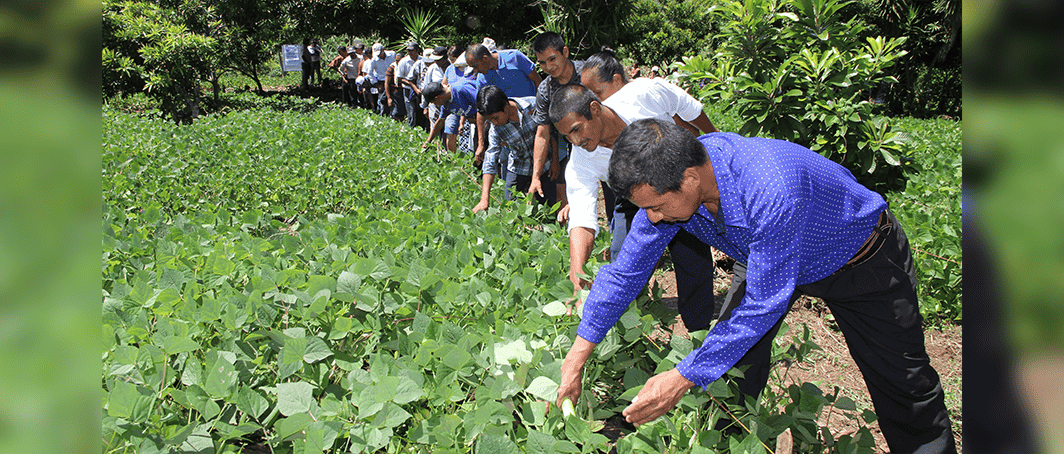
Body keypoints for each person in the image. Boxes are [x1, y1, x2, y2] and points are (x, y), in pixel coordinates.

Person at [556, 118, 957, 454]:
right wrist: (577, 355)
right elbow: (625, 274)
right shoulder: (666, 189)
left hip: (862, 261)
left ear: (690, 179)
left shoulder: (770, 189)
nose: (654, 220)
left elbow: (763, 304)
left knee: (902, 383)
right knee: (734, 368)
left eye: (657, 207)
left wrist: (681, 377)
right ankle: (727, 442)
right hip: (767, 255)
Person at [548, 84, 721, 311]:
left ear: (595, 109)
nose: (575, 140)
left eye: (577, 129)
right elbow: (581, 218)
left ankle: (698, 328)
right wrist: (576, 273)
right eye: (566, 136)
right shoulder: (581, 160)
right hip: (632, 200)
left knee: (691, 255)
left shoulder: (642, 95)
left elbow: (686, 105)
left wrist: (716, 137)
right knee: (623, 263)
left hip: (677, 187)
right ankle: (629, 318)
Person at [580, 48, 718, 136]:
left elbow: (690, 109)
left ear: (616, 80)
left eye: (597, 92)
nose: (596, 100)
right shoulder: (603, 116)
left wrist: (716, 138)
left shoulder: (649, 89)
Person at [472, 85, 558, 212]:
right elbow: (491, 156)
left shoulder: (534, 106)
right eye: (490, 120)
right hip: (518, 166)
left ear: (506, 108)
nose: (494, 123)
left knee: (548, 209)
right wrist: (485, 198)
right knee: (511, 211)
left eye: (495, 118)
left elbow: (553, 134)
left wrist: (555, 161)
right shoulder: (495, 128)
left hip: (545, 165)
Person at [465, 42, 543, 181]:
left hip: (531, 120)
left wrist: (540, 109)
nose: (475, 71)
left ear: (484, 58)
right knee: (511, 167)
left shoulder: (515, 57)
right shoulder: (482, 78)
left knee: (542, 161)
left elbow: (538, 81)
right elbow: (481, 110)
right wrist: (481, 144)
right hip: (507, 128)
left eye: (475, 66)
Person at [527, 32, 580, 211]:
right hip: (572, 147)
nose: (548, 67)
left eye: (552, 59)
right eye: (542, 63)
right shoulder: (545, 90)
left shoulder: (588, 75)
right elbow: (542, 134)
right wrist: (535, 177)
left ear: (565, 52)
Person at [421, 79, 484, 150]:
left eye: (433, 103)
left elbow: (482, 104)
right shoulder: (446, 104)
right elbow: (440, 122)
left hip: (490, 117)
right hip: (479, 124)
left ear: (437, 98)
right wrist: (428, 141)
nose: (435, 105)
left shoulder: (461, 89)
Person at [421, 46, 450, 138]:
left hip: (448, 102)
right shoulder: (432, 68)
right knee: (435, 125)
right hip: (434, 103)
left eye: (439, 60)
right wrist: (425, 106)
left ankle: (446, 149)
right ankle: (435, 147)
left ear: (445, 58)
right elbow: (425, 87)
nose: (436, 62)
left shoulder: (452, 68)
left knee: (448, 127)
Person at [397, 42, 424, 128]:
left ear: (417, 51)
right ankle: (411, 129)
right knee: (411, 110)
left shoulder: (422, 60)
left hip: (420, 90)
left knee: (421, 110)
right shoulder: (403, 62)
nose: (410, 52)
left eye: (412, 50)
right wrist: (413, 85)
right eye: (408, 50)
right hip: (408, 89)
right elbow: (400, 78)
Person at [366, 43, 396, 115]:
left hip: (392, 79)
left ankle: (393, 114)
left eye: (380, 53)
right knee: (382, 99)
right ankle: (382, 113)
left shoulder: (392, 54)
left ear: (383, 50)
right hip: (381, 81)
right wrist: (376, 83)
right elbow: (369, 73)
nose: (379, 55)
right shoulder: (374, 60)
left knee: (393, 97)